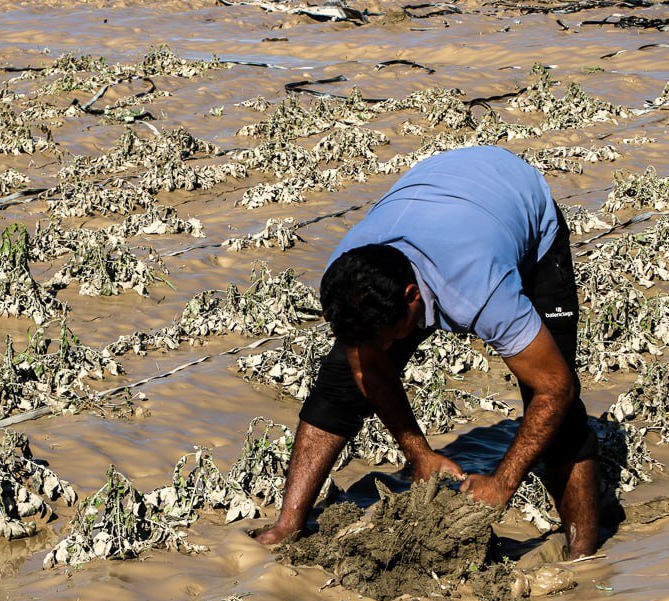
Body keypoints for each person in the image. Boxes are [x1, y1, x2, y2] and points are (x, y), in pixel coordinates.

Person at [255, 146, 600, 559]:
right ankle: (287, 524)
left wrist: (502, 483)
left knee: (555, 408)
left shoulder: (481, 289)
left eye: (386, 337)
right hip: (436, 189)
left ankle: (584, 555)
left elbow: (556, 388)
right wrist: (418, 454)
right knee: (339, 388)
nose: (382, 350)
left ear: (412, 297)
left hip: (517, 201)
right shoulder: (351, 272)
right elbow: (371, 373)